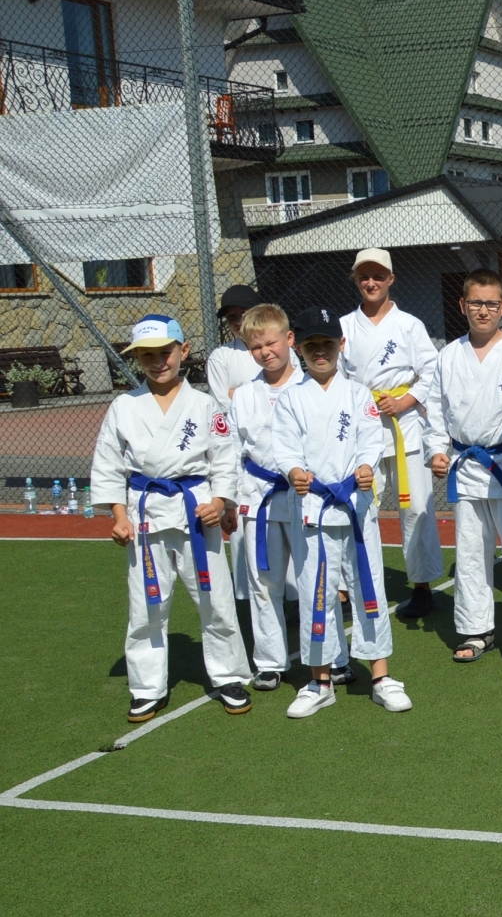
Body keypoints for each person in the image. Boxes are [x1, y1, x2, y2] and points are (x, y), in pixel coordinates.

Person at [93, 315, 253, 723]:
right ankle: (147, 688)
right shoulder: (124, 405)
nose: (157, 362)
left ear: (183, 351)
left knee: (215, 599)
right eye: (147, 355)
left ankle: (229, 675)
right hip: (144, 514)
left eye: (165, 352)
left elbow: (224, 459)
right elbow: (108, 464)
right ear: (137, 359)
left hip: (196, 513)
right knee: (146, 604)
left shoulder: (205, 404)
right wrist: (118, 516)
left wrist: (220, 502)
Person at [271, 308, 412, 717]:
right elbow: (284, 446)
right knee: (316, 590)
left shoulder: (358, 393)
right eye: (312, 345)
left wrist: (366, 466)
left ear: (341, 345)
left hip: (354, 506)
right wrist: (294, 472)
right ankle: (320, 681)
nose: (320, 352)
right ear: (298, 348)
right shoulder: (291, 398)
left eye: (327, 344)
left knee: (369, 586)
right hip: (312, 508)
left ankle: (381, 677)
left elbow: (371, 439)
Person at [424, 268, 502, 665]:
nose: (483, 311)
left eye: (491, 304)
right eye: (475, 303)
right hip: (466, 464)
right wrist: (436, 449)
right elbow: (434, 409)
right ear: (462, 305)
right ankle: (476, 629)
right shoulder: (448, 355)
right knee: (470, 552)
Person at [338, 247, 444, 618]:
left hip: (404, 426)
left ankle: (422, 586)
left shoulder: (409, 325)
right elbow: (336, 377)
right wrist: (359, 406)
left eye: (378, 276)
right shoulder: (344, 327)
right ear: (356, 280)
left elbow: (432, 371)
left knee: (415, 507)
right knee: (359, 507)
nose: (371, 283)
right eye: (364, 276)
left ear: (391, 279)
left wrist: (405, 400)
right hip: (361, 428)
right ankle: (351, 588)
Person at [228, 303, 303, 691]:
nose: (265, 352)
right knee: (265, 584)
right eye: (256, 347)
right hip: (259, 499)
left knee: (314, 579)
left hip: (306, 498)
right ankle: (271, 662)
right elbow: (231, 451)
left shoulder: (312, 387)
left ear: (289, 339)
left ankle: (330, 657)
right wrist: (229, 499)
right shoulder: (243, 396)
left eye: (271, 343)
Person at [204, 283, 274, 401]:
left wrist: (238, 394)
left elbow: (288, 390)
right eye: (231, 316)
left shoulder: (280, 348)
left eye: (243, 313)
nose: (238, 321)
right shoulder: (220, 356)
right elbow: (220, 402)